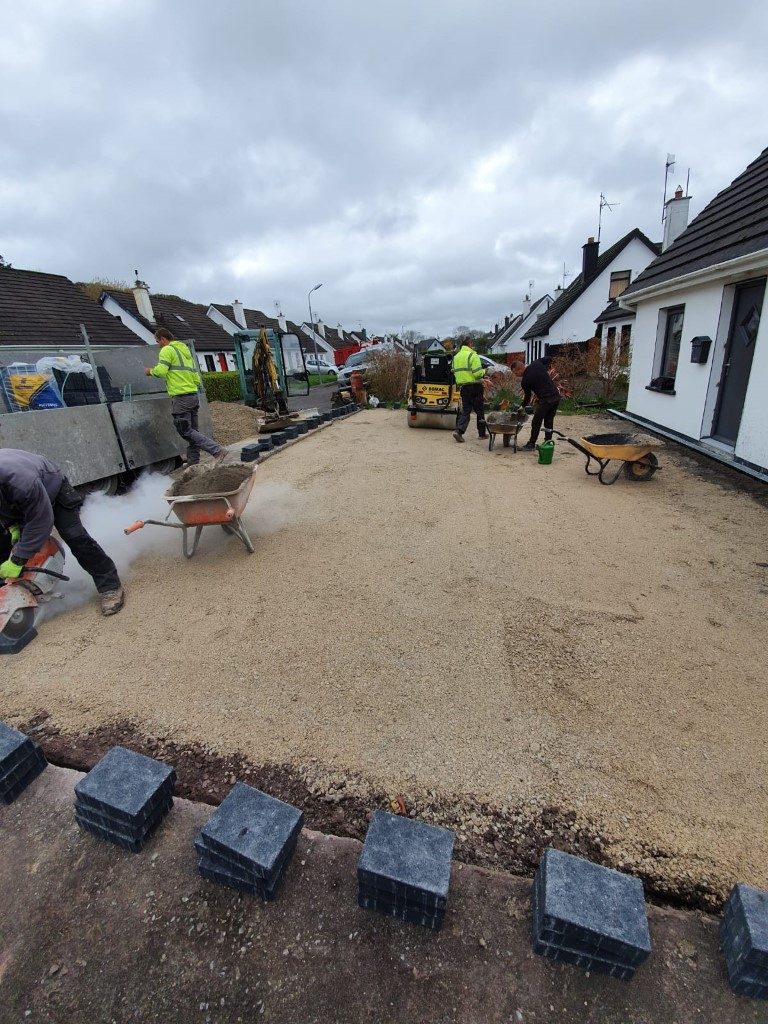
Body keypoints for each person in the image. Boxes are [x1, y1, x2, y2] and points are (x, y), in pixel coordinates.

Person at [0, 449, 124, 615]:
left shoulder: (20, 482)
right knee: (10, 543)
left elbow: (41, 521)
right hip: (19, 496)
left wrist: (17, 559)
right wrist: (12, 525)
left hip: (51, 485)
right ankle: (25, 589)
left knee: (75, 537)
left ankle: (110, 586)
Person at [145, 328, 226, 465]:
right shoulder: (186, 352)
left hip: (181, 397)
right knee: (192, 431)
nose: (158, 344)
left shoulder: (167, 350)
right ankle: (193, 462)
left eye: (158, 341)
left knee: (185, 430)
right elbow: (196, 378)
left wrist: (149, 371)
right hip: (193, 396)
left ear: (164, 339)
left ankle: (217, 450)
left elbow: (161, 371)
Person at [520, 355, 561, 450]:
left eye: (515, 373)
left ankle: (531, 444)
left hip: (546, 400)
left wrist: (522, 407)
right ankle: (548, 442)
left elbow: (527, 397)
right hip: (556, 396)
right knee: (549, 421)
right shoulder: (536, 363)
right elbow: (549, 358)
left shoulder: (525, 380)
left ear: (518, 370)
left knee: (536, 422)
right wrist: (546, 369)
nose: (515, 375)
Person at [451, 336, 487, 443]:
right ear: (470, 344)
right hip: (475, 387)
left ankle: (459, 431)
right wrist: (484, 371)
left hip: (464, 388)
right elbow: (477, 374)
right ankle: (481, 434)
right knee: (479, 411)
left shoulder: (456, 357)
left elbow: (453, 370)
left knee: (466, 410)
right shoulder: (473, 355)